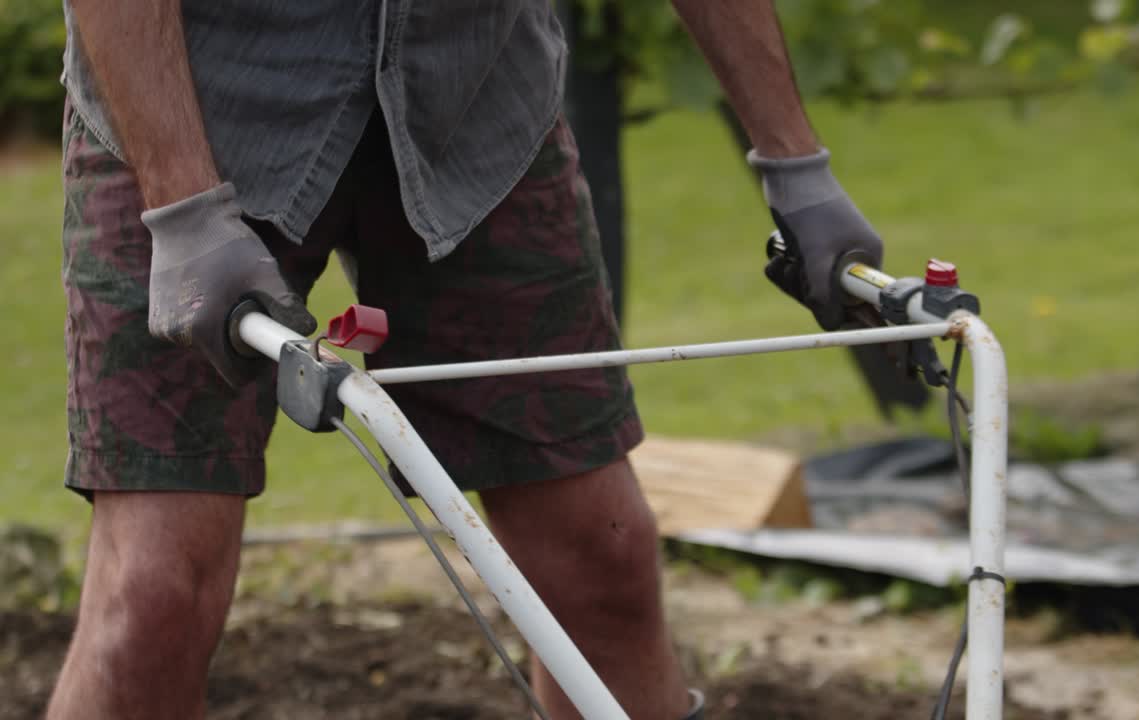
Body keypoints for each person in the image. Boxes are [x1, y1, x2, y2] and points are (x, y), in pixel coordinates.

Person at [48, 0, 883, 718]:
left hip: (475, 115)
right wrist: (184, 210)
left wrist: (795, 163)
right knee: (153, 595)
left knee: (601, 554)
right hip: (194, 118)